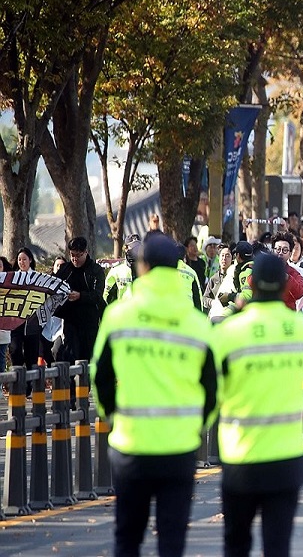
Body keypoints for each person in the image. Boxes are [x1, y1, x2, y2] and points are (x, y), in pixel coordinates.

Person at [91, 234, 217, 557]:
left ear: (142, 266)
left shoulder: (119, 316)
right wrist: (196, 427)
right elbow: (212, 389)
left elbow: (100, 376)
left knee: (127, 538)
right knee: (172, 540)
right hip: (179, 448)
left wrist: (113, 416)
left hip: (130, 445)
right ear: (177, 267)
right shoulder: (197, 325)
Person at [212, 252, 303, 557]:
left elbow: (214, 389)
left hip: (240, 455)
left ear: (251, 283)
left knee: (236, 543)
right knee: (277, 546)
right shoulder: (300, 329)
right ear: (283, 285)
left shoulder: (229, 331)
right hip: (286, 457)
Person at [55, 237, 106, 376]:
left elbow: (97, 295)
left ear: (86, 252)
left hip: (89, 322)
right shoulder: (65, 270)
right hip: (70, 321)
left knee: (87, 357)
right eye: (72, 255)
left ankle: (84, 386)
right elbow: (53, 287)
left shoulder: (95, 270)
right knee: (70, 355)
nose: (75, 259)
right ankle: (72, 387)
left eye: (78, 255)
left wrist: (80, 296)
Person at [9, 248, 42, 396]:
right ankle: (17, 382)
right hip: (16, 322)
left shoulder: (37, 278)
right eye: (19, 259)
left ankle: (29, 386)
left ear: (30, 260)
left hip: (32, 323)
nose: (21, 262)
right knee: (15, 350)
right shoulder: (12, 278)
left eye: (24, 259)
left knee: (31, 356)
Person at [271, 232, 303, 310]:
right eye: (278, 249)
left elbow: (300, 293)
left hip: (287, 315)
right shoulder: (264, 268)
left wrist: (287, 278)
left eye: (285, 250)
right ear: (273, 250)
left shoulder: (294, 273)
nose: (280, 253)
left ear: (290, 254)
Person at [104, 235, 142, 305]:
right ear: (126, 248)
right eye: (133, 247)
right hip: (123, 310)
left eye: (138, 247)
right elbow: (106, 294)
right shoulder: (116, 270)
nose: (136, 250)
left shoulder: (146, 269)